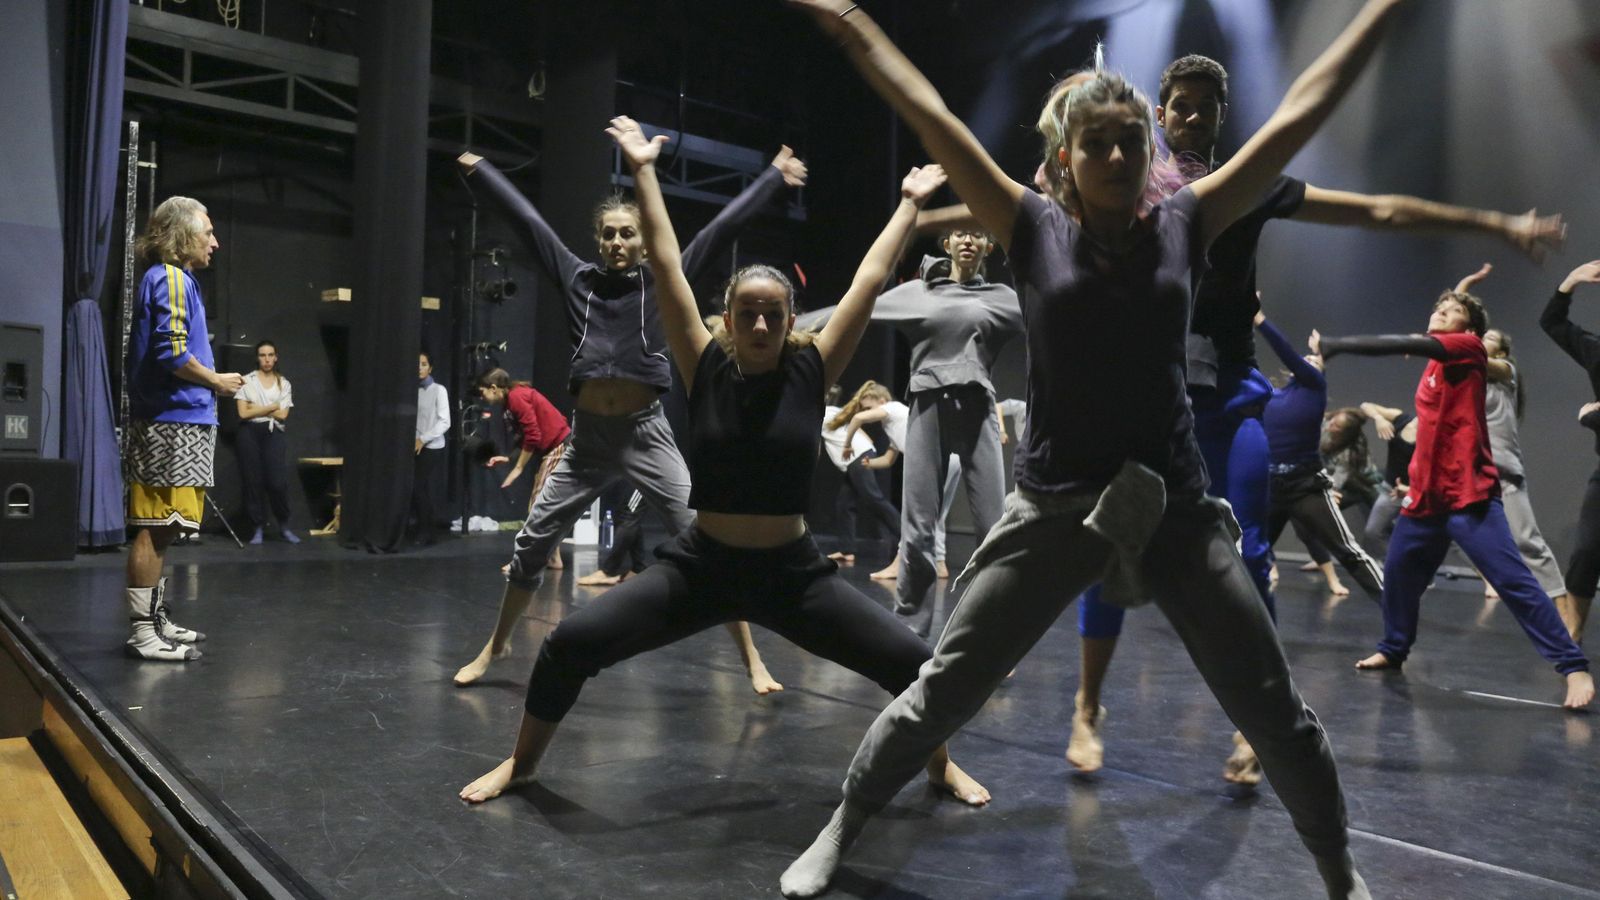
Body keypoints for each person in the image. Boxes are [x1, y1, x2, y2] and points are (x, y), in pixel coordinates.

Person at [778, 1, 1428, 896]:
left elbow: (1302, 111)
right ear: (1065, 161)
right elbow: (924, 107)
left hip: (1174, 506)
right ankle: (845, 824)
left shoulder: (1185, 221)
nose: (1119, 157)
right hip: (1054, 504)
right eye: (1099, 145)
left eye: (1131, 141)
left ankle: (1339, 870)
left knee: (1274, 710)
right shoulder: (1028, 225)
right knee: (944, 690)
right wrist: (849, 17)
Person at [1061, 48, 1566, 781]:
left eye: (1207, 107)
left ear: (1222, 117)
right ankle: (1087, 706)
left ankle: (1255, 722)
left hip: (1232, 393)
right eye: (1181, 106)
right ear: (1160, 114)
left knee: (1251, 555)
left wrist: (1493, 222)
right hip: (1150, 393)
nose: (1193, 117)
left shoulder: (1248, 186)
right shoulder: (1130, 182)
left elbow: (1374, 210)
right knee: (1113, 545)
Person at [457, 119, 990, 811]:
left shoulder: (813, 368)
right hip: (702, 569)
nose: (761, 325)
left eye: (773, 314)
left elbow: (869, 279)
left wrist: (910, 207)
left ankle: (940, 766)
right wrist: (644, 170)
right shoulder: (702, 365)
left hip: (793, 575)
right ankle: (522, 764)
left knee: (915, 663)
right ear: (728, 320)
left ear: (792, 318)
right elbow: (668, 266)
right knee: (569, 642)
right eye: (748, 314)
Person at [451, 145, 808, 692]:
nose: (617, 242)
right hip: (588, 441)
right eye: (608, 235)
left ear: (643, 241)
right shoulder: (577, 279)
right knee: (531, 544)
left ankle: (752, 659)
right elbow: (529, 224)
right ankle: (495, 647)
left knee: (707, 538)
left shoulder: (663, 281)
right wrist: (481, 172)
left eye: (627, 234)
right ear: (598, 241)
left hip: (646, 434)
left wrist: (773, 180)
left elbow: (717, 232)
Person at [1315, 291, 1593, 710]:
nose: (1440, 312)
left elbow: (1404, 342)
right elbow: (1428, 343)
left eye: (1452, 312)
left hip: (1468, 496)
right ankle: (1393, 649)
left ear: (1470, 330)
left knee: (1513, 580)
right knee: (1399, 575)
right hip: (1426, 497)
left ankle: (1573, 666)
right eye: (1438, 308)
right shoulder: (1436, 360)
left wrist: (1335, 345)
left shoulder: (1466, 347)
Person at [800, 231, 1022, 633]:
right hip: (927, 407)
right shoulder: (917, 293)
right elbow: (853, 307)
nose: (968, 241)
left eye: (977, 234)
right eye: (959, 234)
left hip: (977, 410)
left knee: (994, 528)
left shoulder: (1002, 298)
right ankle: (909, 631)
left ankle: (993, 630)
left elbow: (1052, 318)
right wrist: (792, 323)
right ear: (947, 243)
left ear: (988, 247)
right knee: (918, 526)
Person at [124, 196, 245, 661]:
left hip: (181, 420)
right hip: (169, 421)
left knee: (167, 527)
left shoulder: (180, 280)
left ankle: (154, 619)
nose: (215, 242)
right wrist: (216, 381)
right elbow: (172, 353)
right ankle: (143, 632)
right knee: (155, 526)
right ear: (181, 236)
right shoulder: (171, 278)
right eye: (207, 232)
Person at [1257, 310, 1384, 603]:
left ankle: (1392, 606)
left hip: (1306, 486)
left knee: (1347, 551)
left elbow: (1287, 353)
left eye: (1317, 363)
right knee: (1251, 550)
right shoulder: (1272, 396)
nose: (1311, 363)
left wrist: (1260, 320)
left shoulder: (1315, 387)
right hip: (1271, 485)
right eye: (1308, 360)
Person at [1541, 259, 1600, 644]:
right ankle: (1573, 635)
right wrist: (1570, 281)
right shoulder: (1597, 351)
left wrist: (1591, 417)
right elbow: (1553, 323)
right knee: (1585, 553)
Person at [477, 368, 570, 568]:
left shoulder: (517, 397)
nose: (482, 397)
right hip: (553, 448)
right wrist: (509, 459)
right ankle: (553, 557)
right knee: (544, 504)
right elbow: (525, 437)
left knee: (539, 504)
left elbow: (534, 436)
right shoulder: (510, 402)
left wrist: (518, 468)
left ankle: (524, 561)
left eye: (482, 392)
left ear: (493, 388)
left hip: (558, 447)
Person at [836, 386, 911, 579]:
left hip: (929, 461)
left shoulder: (892, 408)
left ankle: (903, 561)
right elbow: (888, 460)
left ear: (881, 401)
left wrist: (847, 445)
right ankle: (935, 564)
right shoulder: (894, 422)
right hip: (934, 461)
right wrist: (870, 463)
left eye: (869, 408)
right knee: (932, 516)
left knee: (917, 514)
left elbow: (857, 418)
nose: (866, 412)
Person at [823, 381, 901, 565]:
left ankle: (906, 536)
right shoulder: (834, 412)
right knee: (845, 504)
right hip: (860, 455)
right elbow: (862, 433)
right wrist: (868, 448)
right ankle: (847, 550)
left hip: (857, 457)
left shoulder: (823, 414)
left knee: (873, 498)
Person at [235, 340, 299, 545]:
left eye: (270, 355)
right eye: (263, 355)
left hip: (273, 432)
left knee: (277, 482)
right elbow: (243, 413)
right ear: (257, 358)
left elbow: (283, 414)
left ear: (276, 357)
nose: (267, 359)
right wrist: (272, 406)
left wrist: (256, 408)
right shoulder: (246, 380)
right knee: (253, 481)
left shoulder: (284, 383)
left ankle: (284, 525)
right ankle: (257, 528)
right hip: (249, 433)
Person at [413, 351, 451, 545]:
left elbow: (445, 422)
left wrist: (423, 439)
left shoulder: (438, 390)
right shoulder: (412, 390)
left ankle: (426, 531)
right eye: (417, 364)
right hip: (414, 445)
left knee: (419, 486)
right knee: (419, 487)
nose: (420, 368)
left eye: (424, 364)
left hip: (432, 446)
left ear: (430, 367)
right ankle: (425, 528)